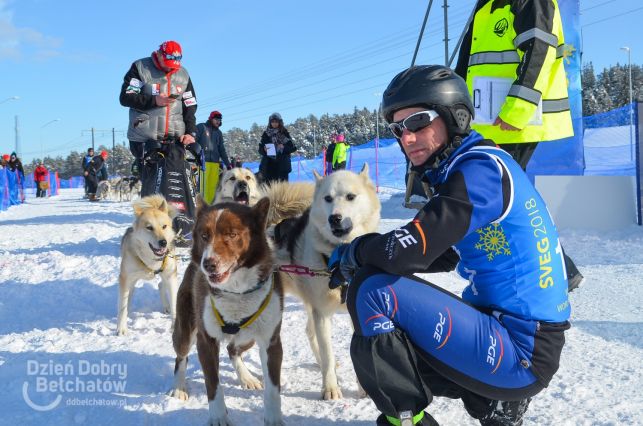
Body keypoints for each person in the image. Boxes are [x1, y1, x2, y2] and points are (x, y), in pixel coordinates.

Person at [327, 65, 570, 426]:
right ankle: (490, 400)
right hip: (516, 336)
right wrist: (368, 256)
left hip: (520, 350)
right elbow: (445, 252)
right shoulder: (481, 164)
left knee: (371, 291)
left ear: (454, 116)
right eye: (398, 129)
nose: (406, 138)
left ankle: (407, 421)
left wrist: (355, 251)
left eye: (418, 122)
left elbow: (409, 250)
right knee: (383, 287)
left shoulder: (479, 171)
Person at [454, 0, 583, 292]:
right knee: (508, 199)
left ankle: (552, 271)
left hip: (516, 121)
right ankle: (557, 269)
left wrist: (518, 109)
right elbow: (468, 63)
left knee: (504, 198)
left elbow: (540, 49)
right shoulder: (486, 6)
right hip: (488, 120)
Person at [119, 40, 200, 244]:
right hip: (144, 137)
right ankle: (146, 233)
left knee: (175, 181)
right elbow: (126, 97)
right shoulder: (141, 68)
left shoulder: (183, 74)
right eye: (168, 64)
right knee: (151, 183)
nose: (172, 69)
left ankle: (179, 226)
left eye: (176, 65)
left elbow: (190, 104)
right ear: (160, 56)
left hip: (175, 136)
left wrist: (190, 132)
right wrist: (153, 101)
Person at [196, 110, 231, 204]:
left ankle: (210, 206)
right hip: (203, 162)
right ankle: (199, 206)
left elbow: (222, 150)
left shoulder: (218, 133)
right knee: (202, 186)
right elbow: (193, 142)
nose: (218, 121)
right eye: (216, 119)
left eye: (219, 120)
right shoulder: (201, 127)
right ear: (211, 119)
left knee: (212, 187)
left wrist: (228, 164)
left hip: (215, 164)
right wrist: (198, 155)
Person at [258, 112, 296, 183]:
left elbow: (293, 147)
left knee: (282, 190)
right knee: (269, 190)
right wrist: (264, 149)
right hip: (268, 167)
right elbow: (260, 149)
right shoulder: (266, 134)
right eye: (272, 121)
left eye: (276, 121)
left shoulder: (284, 133)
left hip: (282, 166)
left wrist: (283, 147)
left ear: (280, 122)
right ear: (270, 123)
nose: (274, 123)